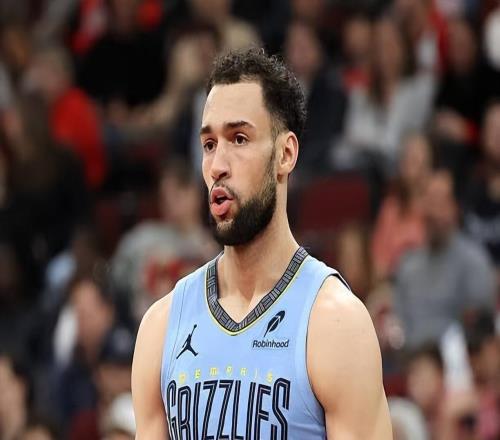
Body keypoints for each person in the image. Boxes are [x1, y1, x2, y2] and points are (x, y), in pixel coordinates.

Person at [132, 48, 391, 439]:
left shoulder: (335, 323)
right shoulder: (162, 326)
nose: (218, 165)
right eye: (209, 144)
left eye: (238, 139)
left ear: (285, 154)